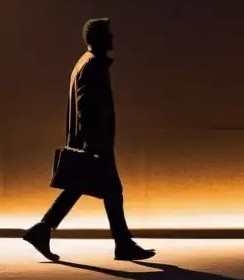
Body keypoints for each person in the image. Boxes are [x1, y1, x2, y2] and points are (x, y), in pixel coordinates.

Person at [23, 17, 155, 262]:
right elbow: (88, 108)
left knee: (86, 187)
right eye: (108, 33)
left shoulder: (86, 63)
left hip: (93, 142)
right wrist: (93, 146)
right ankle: (122, 245)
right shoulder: (93, 66)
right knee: (108, 190)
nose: (112, 37)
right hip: (95, 143)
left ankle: (43, 229)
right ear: (98, 38)